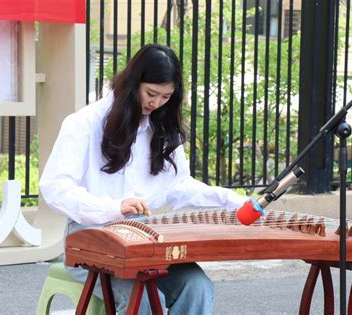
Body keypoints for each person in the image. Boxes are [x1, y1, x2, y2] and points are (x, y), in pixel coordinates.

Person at [39, 44, 247, 314]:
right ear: (133, 82)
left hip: (143, 240)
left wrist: (233, 201)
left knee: (197, 286)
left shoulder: (161, 129)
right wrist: (114, 207)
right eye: (151, 93)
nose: (156, 103)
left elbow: (179, 186)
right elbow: (55, 187)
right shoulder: (84, 123)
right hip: (91, 238)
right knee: (145, 297)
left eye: (166, 97)